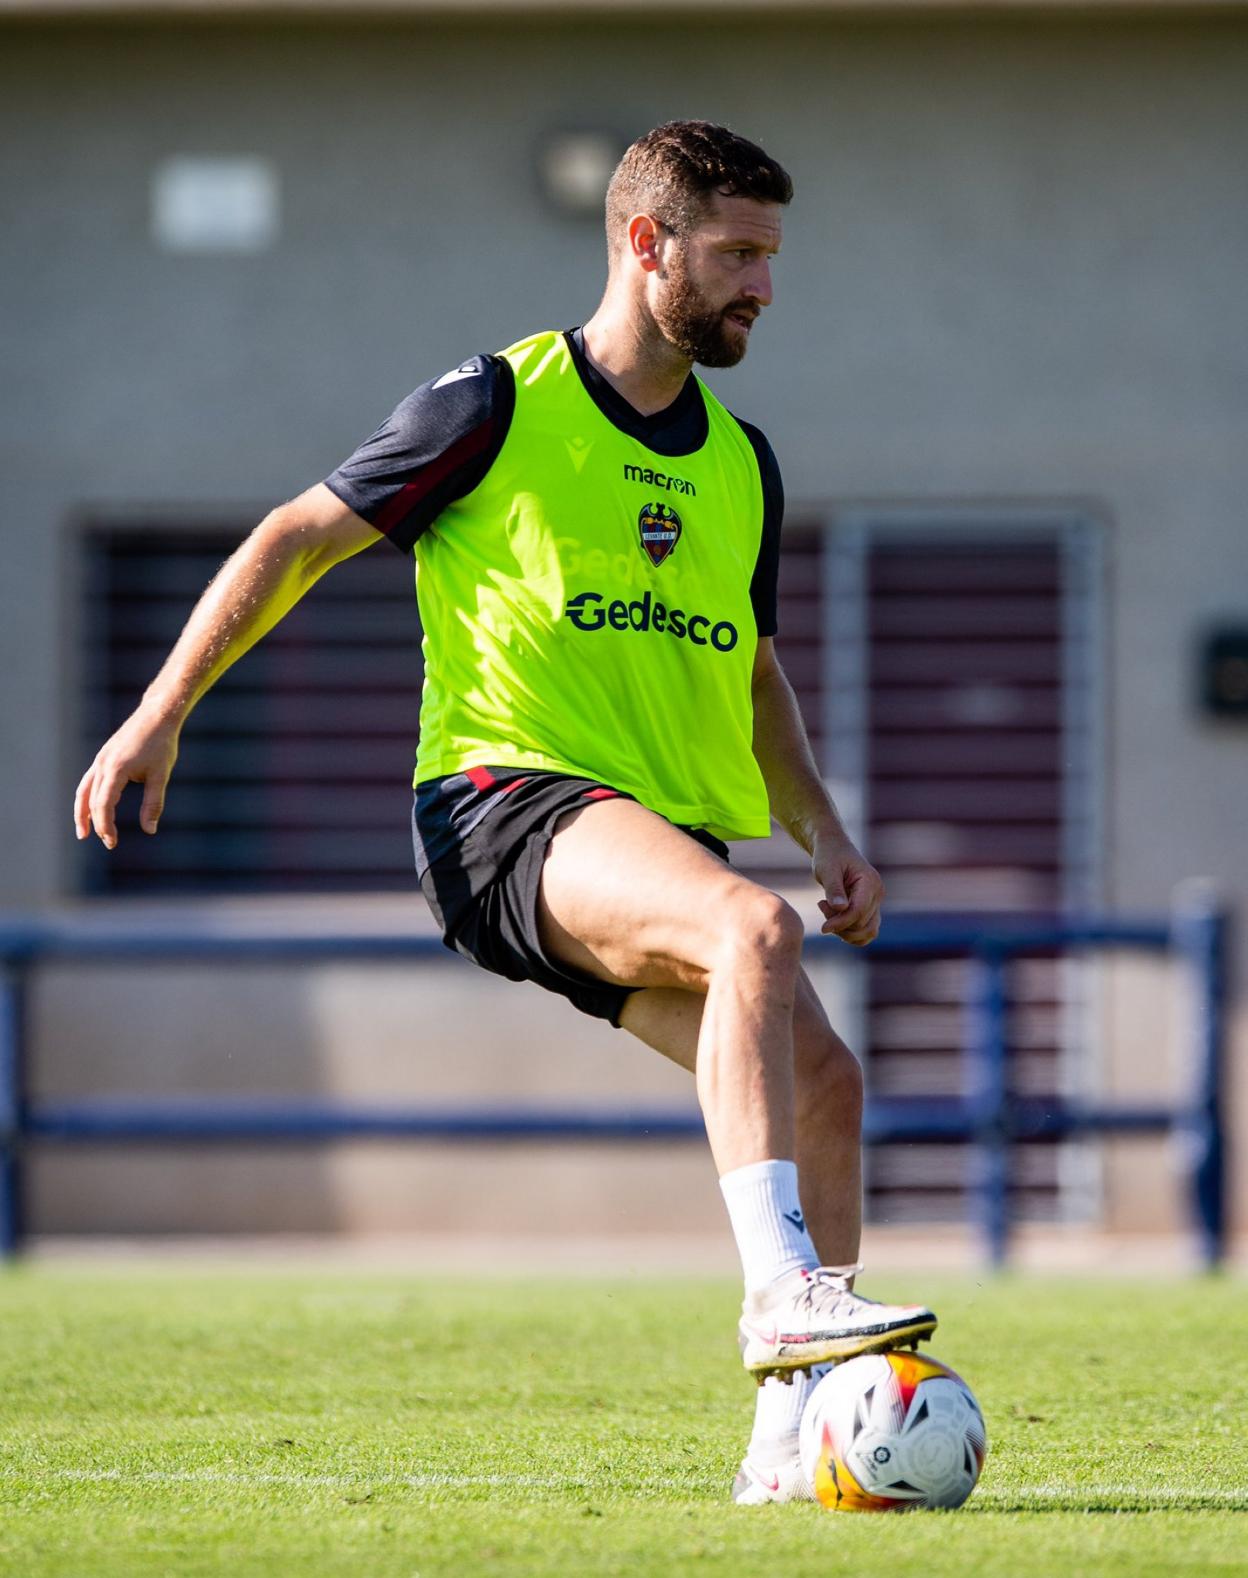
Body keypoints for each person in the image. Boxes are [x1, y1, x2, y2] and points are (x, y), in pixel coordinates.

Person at [74, 120, 936, 1504]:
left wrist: (827, 825)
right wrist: (161, 709)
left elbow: (753, 664)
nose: (765, 287)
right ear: (646, 243)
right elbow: (296, 534)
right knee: (749, 934)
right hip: (499, 807)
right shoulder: (490, 406)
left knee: (825, 1079)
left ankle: (796, 1437)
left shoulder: (741, 464)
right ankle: (783, 1299)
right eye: (738, 255)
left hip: (644, 833)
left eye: (774, 258)